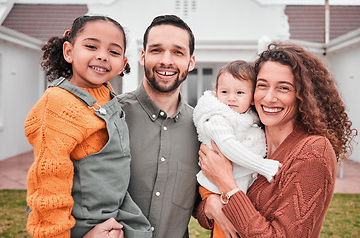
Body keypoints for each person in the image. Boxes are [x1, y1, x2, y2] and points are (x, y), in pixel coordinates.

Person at [196, 42, 357, 238]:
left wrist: (227, 184)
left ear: (303, 96)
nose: (269, 98)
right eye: (262, 86)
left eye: (283, 88)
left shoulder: (314, 152)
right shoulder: (251, 137)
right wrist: (211, 206)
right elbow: (204, 209)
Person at [25, 15, 152, 238]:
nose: (102, 56)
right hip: (80, 226)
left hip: (114, 215)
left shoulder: (106, 95)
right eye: (91, 46)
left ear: (123, 63)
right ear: (69, 52)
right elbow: (49, 181)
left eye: (113, 52)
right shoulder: (58, 103)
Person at [115, 15, 201, 238]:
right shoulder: (113, 115)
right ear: (143, 56)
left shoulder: (202, 127)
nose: (166, 60)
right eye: (156, 50)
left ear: (191, 62)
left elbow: (201, 202)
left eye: (178, 52)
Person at [193, 60, 280, 238]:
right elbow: (228, 146)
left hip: (235, 183)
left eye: (239, 93)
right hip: (215, 187)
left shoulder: (249, 117)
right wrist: (263, 166)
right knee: (226, 231)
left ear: (252, 97)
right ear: (216, 92)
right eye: (224, 92)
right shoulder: (217, 117)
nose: (231, 98)